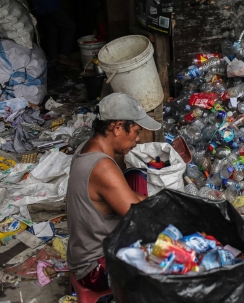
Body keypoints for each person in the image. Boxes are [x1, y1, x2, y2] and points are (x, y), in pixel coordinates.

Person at [66, 93, 161, 291]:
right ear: (117, 127)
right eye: (135, 131)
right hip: (96, 267)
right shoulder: (102, 167)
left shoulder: (88, 148)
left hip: (86, 250)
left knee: (136, 176)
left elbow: (132, 196)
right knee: (173, 258)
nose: (137, 139)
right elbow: (141, 216)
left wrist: (166, 202)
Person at [31, 0, 78, 66]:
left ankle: (54, 60)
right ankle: (64, 57)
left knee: (52, 31)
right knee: (70, 26)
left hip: (41, 7)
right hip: (50, 4)